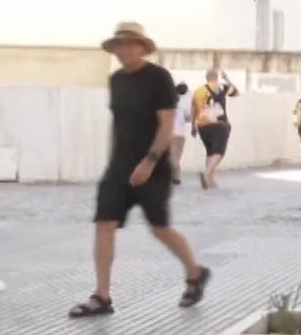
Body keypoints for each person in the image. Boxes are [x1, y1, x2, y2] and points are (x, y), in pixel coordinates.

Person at [71, 22, 211, 318]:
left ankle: (195, 273)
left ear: (142, 48)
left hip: (153, 165)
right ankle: (102, 296)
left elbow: (167, 124)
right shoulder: (116, 80)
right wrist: (113, 163)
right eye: (121, 45)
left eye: (131, 44)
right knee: (104, 224)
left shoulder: (158, 78)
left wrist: (150, 161)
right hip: (119, 166)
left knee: (160, 228)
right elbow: (117, 124)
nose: (125, 49)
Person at [191, 68, 239, 188]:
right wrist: (227, 78)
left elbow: (193, 108)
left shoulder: (198, 91)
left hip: (202, 126)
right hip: (219, 124)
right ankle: (207, 174)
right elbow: (236, 92)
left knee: (210, 152)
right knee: (219, 152)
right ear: (217, 77)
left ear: (206, 77)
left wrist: (193, 125)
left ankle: (210, 181)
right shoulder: (221, 87)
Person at [168, 81, 192, 185]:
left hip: (170, 133)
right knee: (176, 158)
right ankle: (176, 177)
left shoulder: (169, 100)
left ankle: (175, 177)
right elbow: (189, 118)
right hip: (180, 134)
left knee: (171, 157)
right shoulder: (185, 102)